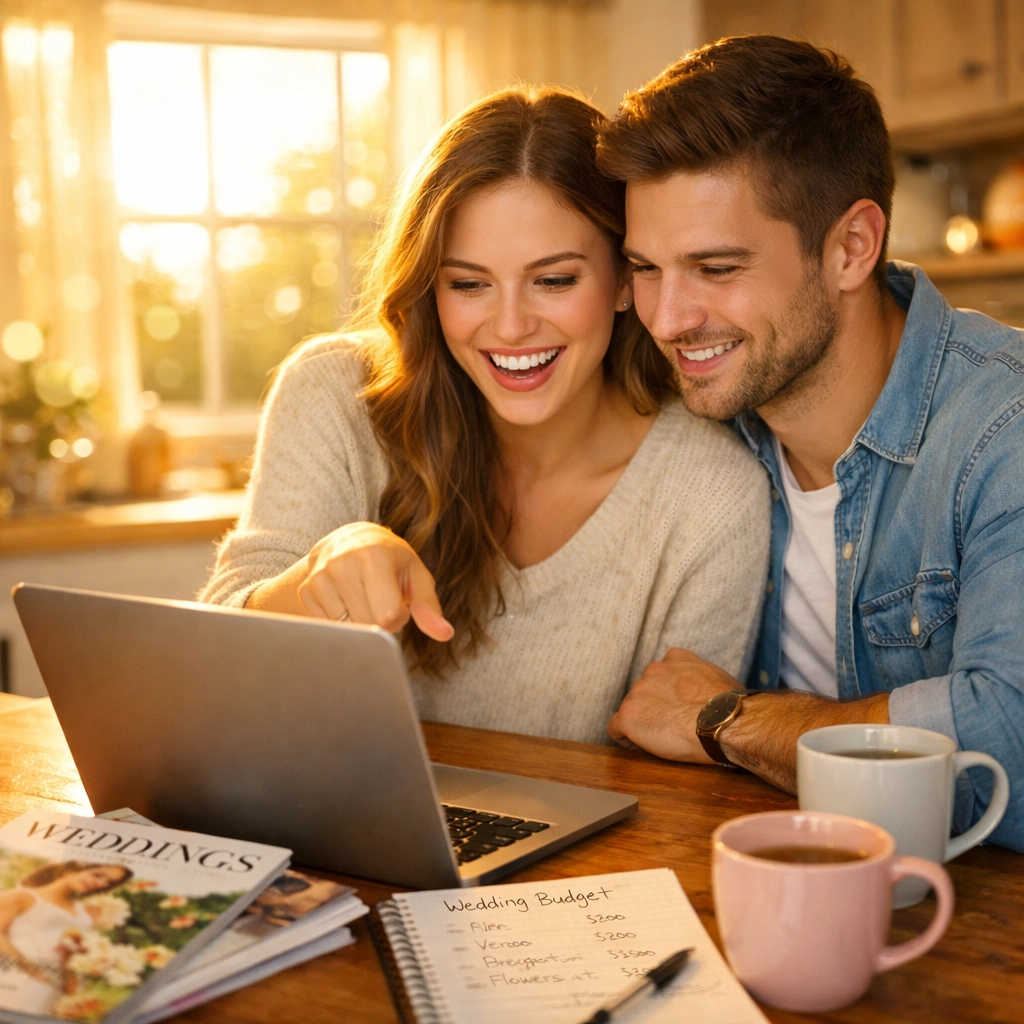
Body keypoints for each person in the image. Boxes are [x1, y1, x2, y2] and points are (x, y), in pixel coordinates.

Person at [201, 86, 769, 745]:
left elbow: (671, 768)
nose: (511, 326)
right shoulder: (334, 392)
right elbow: (210, 666)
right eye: (468, 284)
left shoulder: (711, 495)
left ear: (624, 279)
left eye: (554, 280)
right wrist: (314, 577)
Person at [598, 35, 1024, 852]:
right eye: (645, 268)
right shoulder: (702, 416)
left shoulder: (1003, 429)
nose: (667, 318)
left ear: (851, 248)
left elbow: (1005, 735)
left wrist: (729, 721)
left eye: (716, 268)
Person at [0, 861, 133, 1013]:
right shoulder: (21, 896)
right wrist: (30, 969)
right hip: (16, 975)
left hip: (55, 986)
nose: (100, 883)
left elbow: (71, 954)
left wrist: (72, 992)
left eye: (108, 882)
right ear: (71, 870)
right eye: (97, 875)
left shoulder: (87, 912)